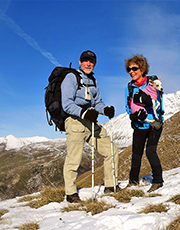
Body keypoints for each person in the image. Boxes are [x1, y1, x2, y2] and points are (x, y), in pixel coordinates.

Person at [61, 50, 119, 203]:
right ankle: (71, 193)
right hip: (75, 122)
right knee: (74, 159)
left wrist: (105, 109)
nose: (89, 64)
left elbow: (97, 102)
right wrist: (84, 113)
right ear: (80, 61)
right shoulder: (71, 78)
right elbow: (66, 104)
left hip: (91, 122)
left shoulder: (93, 80)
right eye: (86, 60)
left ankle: (110, 186)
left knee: (112, 151)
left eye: (91, 61)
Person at [124, 54, 165, 192]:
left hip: (154, 124)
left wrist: (148, 104)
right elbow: (127, 106)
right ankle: (133, 181)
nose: (131, 72)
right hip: (139, 125)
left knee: (150, 151)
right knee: (136, 154)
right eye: (129, 69)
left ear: (142, 69)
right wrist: (133, 116)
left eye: (134, 68)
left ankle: (158, 181)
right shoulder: (129, 87)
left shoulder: (153, 83)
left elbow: (158, 102)